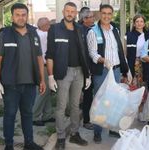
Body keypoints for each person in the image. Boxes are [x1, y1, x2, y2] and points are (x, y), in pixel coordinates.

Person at [0, 3, 46, 150]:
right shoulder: (4, 34)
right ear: (12, 16)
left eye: (23, 14)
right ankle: (9, 145)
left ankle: (29, 143)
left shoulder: (33, 33)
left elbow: (39, 57)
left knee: (27, 114)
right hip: (11, 84)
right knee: (10, 115)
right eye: (17, 15)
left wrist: (42, 79)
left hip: (30, 82)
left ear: (27, 15)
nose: (21, 17)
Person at [46, 2, 91, 149]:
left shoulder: (80, 29)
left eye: (73, 11)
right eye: (68, 11)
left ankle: (74, 133)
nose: (70, 13)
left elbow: (85, 53)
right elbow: (50, 54)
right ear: (63, 12)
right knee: (61, 106)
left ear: (76, 13)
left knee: (75, 105)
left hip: (79, 72)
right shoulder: (54, 29)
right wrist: (50, 76)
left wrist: (87, 74)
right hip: (63, 72)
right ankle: (60, 137)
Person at [86, 4, 131, 144]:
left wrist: (126, 69)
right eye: (104, 13)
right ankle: (98, 132)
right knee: (100, 101)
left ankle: (112, 128)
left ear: (112, 15)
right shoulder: (93, 31)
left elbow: (120, 52)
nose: (106, 16)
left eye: (109, 13)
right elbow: (92, 53)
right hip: (102, 71)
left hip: (116, 70)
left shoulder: (115, 30)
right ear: (100, 14)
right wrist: (103, 60)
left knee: (114, 101)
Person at [33, 17, 55, 126]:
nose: (50, 27)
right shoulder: (43, 35)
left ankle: (47, 115)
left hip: (42, 66)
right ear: (44, 26)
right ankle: (35, 116)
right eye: (48, 25)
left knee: (46, 92)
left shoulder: (37, 33)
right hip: (44, 66)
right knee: (43, 91)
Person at [78, 6, 95, 130]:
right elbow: (83, 52)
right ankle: (86, 120)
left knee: (90, 94)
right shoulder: (80, 31)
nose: (93, 19)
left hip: (91, 67)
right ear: (84, 19)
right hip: (84, 68)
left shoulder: (90, 29)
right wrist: (87, 71)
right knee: (88, 94)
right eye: (91, 17)